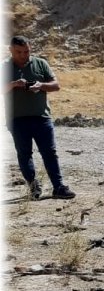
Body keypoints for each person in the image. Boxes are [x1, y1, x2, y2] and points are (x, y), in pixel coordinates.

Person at [4, 36, 74, 200]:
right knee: (24, 154)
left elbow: (56, 85)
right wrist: (14, 84)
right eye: (19, 52)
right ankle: (33, 186)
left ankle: (58, 187)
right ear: (11, 51)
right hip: (17, 119)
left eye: (26, 51)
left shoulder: (40, 63)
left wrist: (40, 85)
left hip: (42, 117)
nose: (23, 55)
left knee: (50, 153)